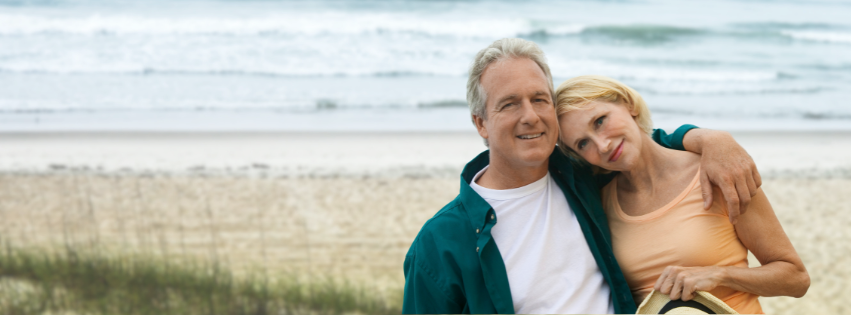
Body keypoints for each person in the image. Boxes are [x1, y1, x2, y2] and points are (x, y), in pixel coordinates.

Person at [402, 38, 762, 314]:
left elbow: (640, 146)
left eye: (540, 99)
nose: (530, 116)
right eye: (509, 104)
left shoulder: (585, 174)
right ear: (481, 122)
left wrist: (711, 139)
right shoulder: (439, 244)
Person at [555, 75, 810, 313]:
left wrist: (719, 274)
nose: (602, 145)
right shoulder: (599, 203)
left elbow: (795, 279)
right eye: (583, 143)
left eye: (600, 121)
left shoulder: (718, 172)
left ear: (629, 105)